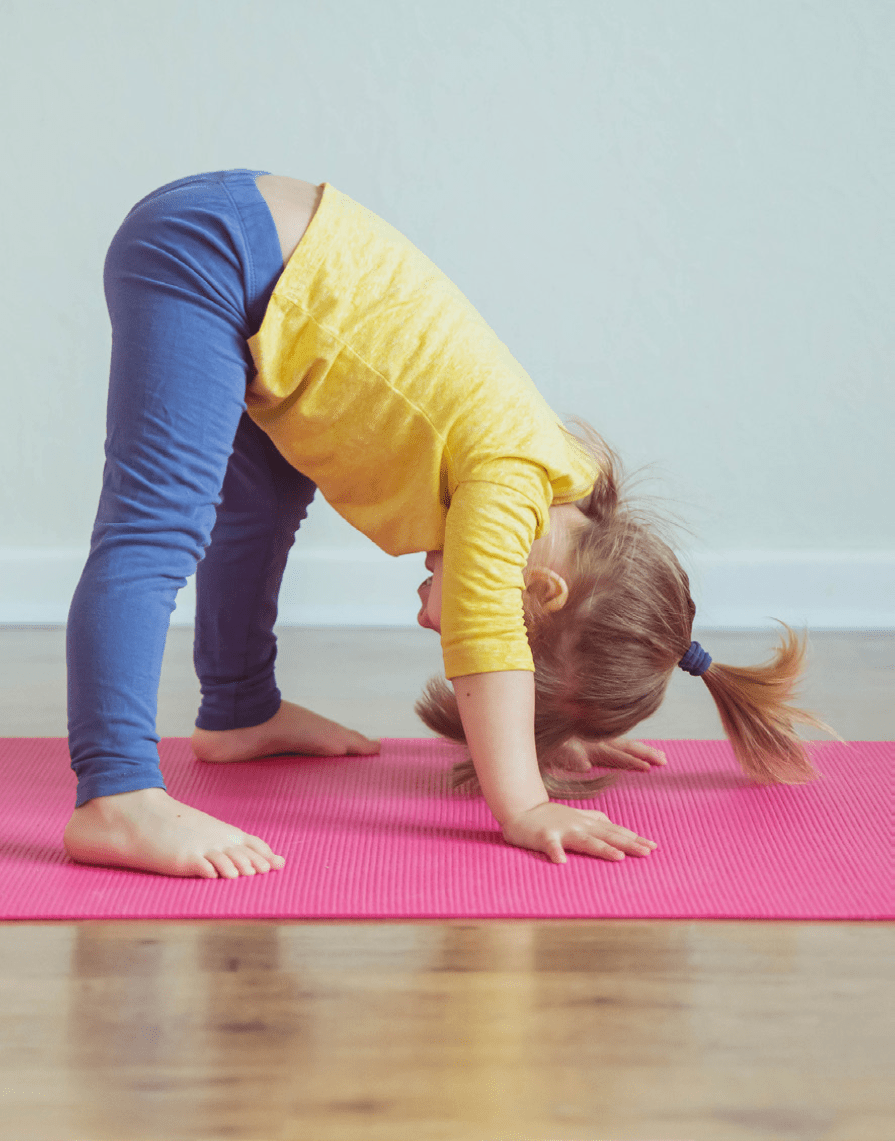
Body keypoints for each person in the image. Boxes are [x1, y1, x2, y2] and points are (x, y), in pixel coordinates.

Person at [63, 169, 827, 879]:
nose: (437, 621)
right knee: (156, 528)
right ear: (541, 590)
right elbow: (485, 641)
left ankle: (238, 709)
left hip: (257, 266)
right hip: (216, 253)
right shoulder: (509, 488)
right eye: (521, 646)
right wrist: (523, 804)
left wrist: (558, 727)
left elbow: (514, 636)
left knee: (260, 510)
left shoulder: (558, 483)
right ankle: (116, 793)